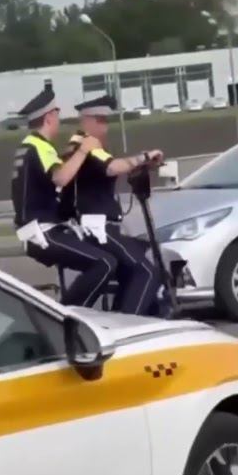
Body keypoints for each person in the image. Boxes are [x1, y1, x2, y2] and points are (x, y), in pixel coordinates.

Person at [11, 89, 118, 307]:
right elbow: (60, 178)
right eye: (57, 114)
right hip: (44, 231)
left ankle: (72, 310)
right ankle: (67, 316)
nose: (59, 120)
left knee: (101, 259)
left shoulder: (26, 147)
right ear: (49, 117)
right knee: (104, 262)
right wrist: (83, 151)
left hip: (37, 230)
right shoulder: (40, 146)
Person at [60, 95, 166, 316]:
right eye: (100, 120)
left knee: (132, 266)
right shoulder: (86, 144)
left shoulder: (81, 145)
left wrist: (142, 164)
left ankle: (122, 314)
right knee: (147, 272)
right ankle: (129, 323)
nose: (104, 127)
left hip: (99, 225)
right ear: (87, 120)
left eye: (105, 121)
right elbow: (113, 167)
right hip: (97, 227)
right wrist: (144, 156)